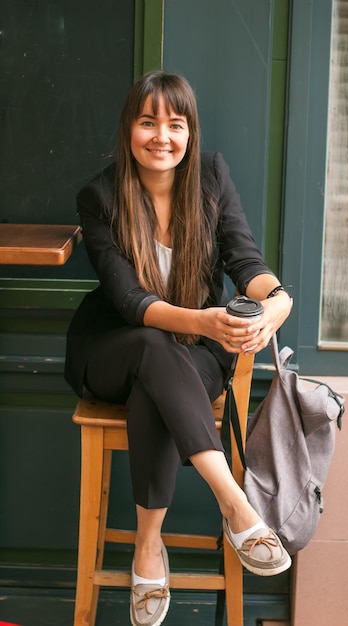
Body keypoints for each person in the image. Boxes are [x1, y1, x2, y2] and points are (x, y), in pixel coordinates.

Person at [65, 70, 293, 626]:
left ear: (190, 133)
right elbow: (128, 299)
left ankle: (148, 546)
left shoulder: (211, 176)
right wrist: (209, 322)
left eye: (175, 123)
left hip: (192, 354)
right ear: (128, 130)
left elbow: (245, 262)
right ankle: (235, 504)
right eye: (148, 122)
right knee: (149, 345)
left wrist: (276, 304)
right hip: (112, 348)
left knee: (157, 387)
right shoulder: (98, 197)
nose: (161, 136)